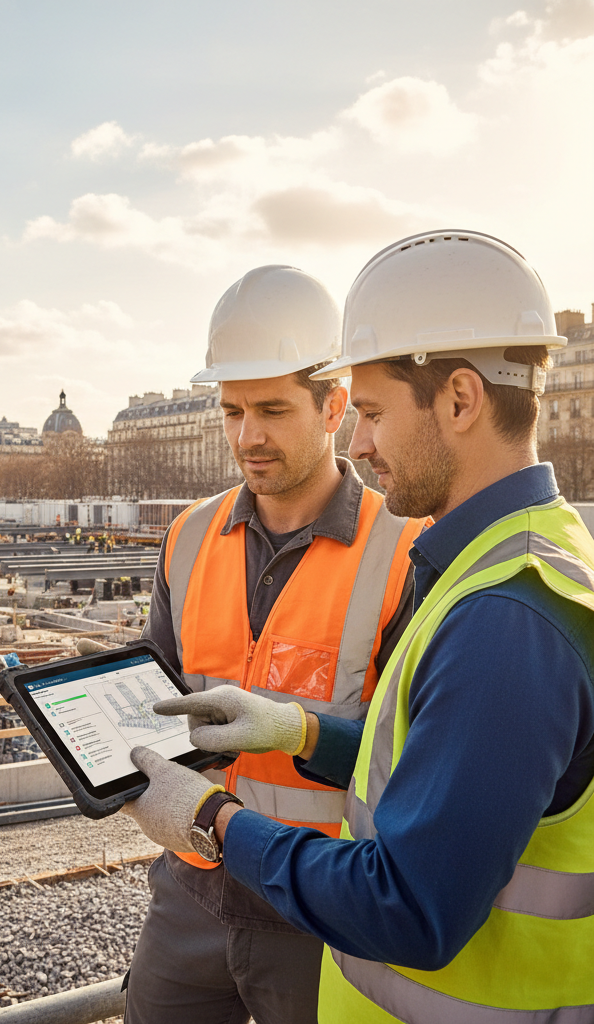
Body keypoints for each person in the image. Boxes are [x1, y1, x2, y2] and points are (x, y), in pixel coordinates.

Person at [122, 231, 594, 1022]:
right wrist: (299, 730)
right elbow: (422, 766)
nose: (362, 442)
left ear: (461, 399)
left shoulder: (506, 617)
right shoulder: (505, 564)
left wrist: (209, 818)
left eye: (370, 412)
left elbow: (409, 907)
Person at [124, 265, 425, 1024]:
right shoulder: (188, 535)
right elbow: (154, 699)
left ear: (333, 404)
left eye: (271, 409)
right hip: (191, 882)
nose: (247, 437)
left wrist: (296, 733)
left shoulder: (405, 548)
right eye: (231, 411)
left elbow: (414, 761)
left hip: (322, 903)